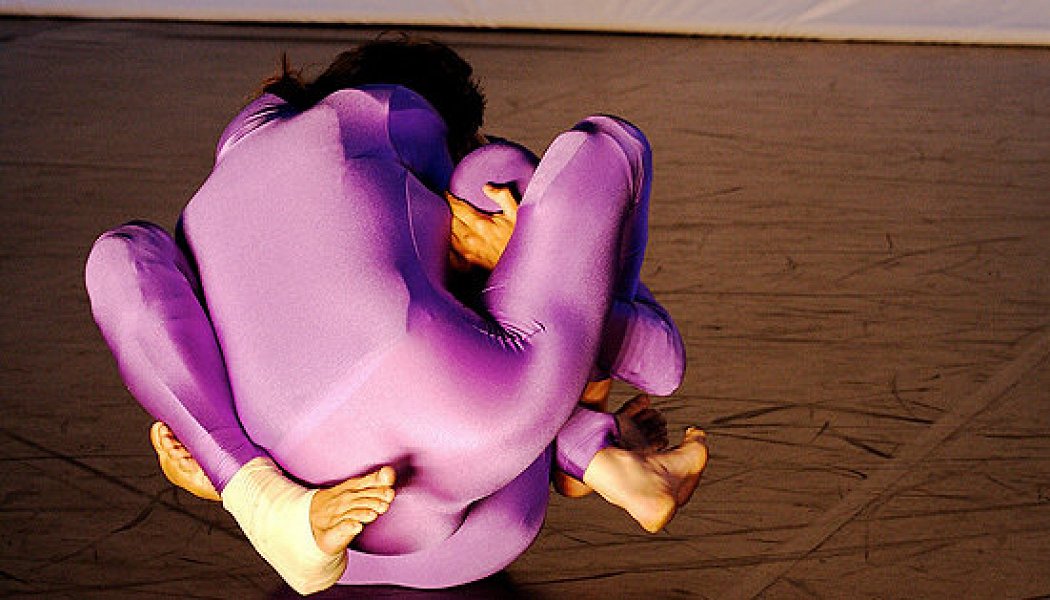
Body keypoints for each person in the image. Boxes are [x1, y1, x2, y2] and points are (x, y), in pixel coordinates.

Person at [85, 37, 707, 594]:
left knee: (121, 253)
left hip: (317, 491)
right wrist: (522, 254)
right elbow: (662, 365)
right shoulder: (401, 119)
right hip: (469, 464)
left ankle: (247, 487)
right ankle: (592, 444)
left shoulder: (213, 211)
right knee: (606, 144)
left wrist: (223, 470)